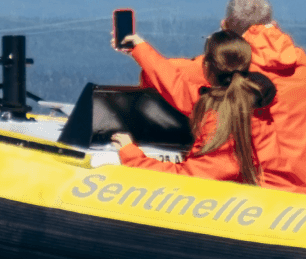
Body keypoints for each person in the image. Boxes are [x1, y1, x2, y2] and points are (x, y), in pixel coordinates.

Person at [137, 0, 306, 182]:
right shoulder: (302, 66)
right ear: (274, 25)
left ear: (225, 26)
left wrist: (139, 48)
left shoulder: (220, 69)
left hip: (262, 188)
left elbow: (161, 77)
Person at [113, 30, 304, 190]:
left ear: (205, 67)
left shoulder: (224, 120)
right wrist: (139, 48)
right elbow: (175, 85)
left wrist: (131, 155)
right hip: (287, 192)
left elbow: (191, 178)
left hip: (267, 208)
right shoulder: (256, 102)